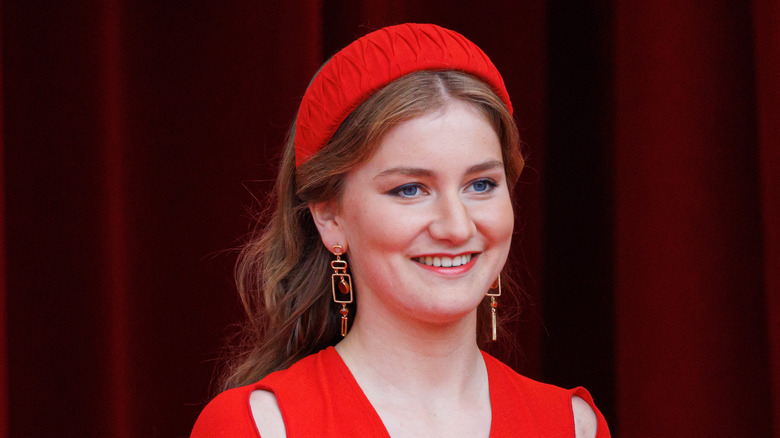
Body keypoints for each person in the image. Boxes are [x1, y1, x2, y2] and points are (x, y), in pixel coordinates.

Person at [191, 23, 610, 437]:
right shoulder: (260, 426)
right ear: (329, 217)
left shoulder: (573, 425)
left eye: (481, 184)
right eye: (410, 189)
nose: (457, 226)